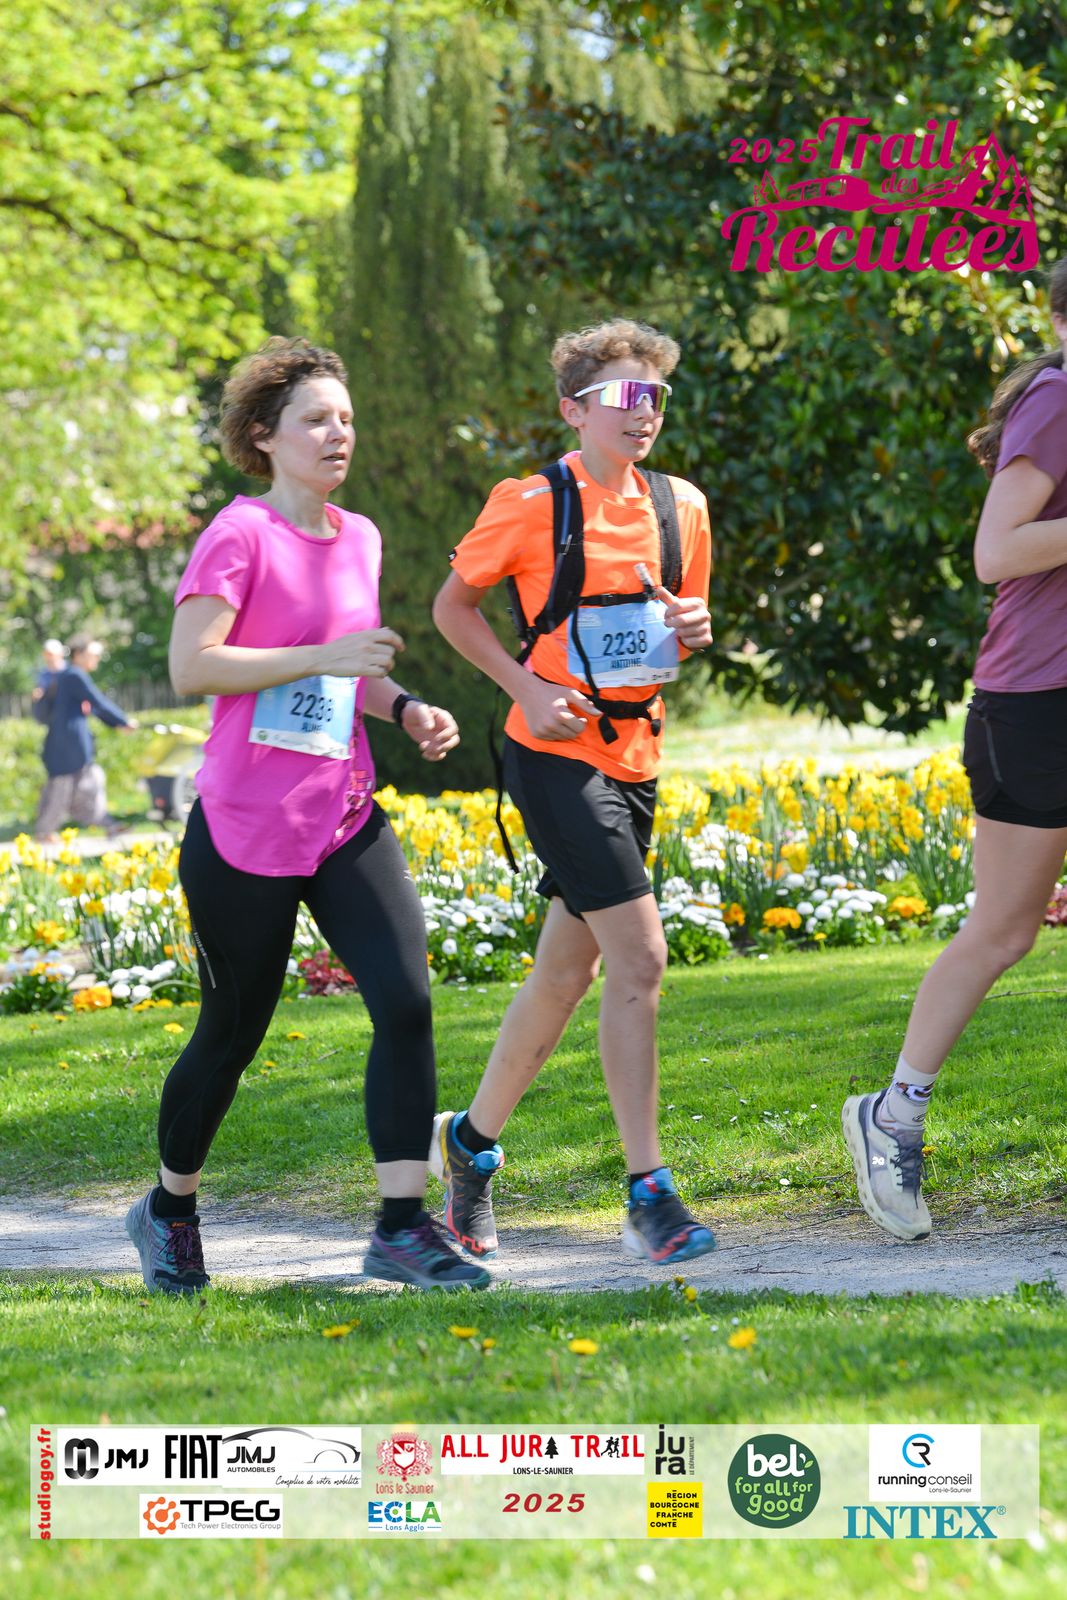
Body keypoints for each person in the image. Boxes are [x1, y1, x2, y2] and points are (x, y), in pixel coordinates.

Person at [125, 336, 489, 1295]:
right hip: (244, 828)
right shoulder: (238, 534)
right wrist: (324, 658)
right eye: (317, 419)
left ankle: (401, 1227)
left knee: (406, 1002)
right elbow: (194, 665)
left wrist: (404, 706)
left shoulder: (359, 536)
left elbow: (347, 668)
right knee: (232, 1032)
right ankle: (168, 1210)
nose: (339, 434)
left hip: (342, 814)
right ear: (264, 435)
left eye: (347, 419)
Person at [431, 318, 716, 1267]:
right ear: (573, 410)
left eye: (655, 397)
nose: (643, 413)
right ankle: (650, 1194)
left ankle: (468, 1145)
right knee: (640, 959)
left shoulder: (681, 507)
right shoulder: (528, 503)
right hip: (552, 758)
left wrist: (693, 629)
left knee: (566, 974)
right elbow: (452, 608)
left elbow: (677, 634)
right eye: (623, 397)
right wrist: (524, 688)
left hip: (636, 758)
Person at [843, 257, 1067, 1241]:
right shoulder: (1056, 401)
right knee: (1003, 931)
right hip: (1035, 705)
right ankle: (891, 1115)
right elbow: (995, 551)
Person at [34, 636, 137, 843]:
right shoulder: (74, 675)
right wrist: (123, 720)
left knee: (89, 784)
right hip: (67, 746)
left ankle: (108, 825)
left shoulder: (68, 676)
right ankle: (44, 833)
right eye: (93, 654)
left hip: (68, 745)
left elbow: (94, 707)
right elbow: (98, 701)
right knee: (62, 790)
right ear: (79, 655)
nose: (97, 658)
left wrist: (118, 723)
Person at [30, 638, 67, 725]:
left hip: (67, 715)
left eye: (51, 654)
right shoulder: (43, 674)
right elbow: (40, 690)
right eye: (46, 654)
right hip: (51, 718)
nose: (48, 657)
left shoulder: (69, 671)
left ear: (60, 654)